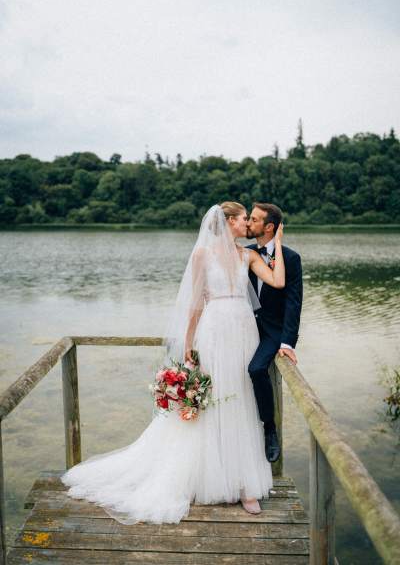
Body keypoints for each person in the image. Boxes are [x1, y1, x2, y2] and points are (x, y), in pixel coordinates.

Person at [61, 202, 286, 523]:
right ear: (228, 223)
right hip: (215, 330)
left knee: (243, 401)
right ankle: (215, 478)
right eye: (241, 220)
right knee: (217, 403)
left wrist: (276, 242)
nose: (247, 225)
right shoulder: (201, 256)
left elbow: (277, 281)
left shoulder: (248, 255)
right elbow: (195, 304)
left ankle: (245, 484)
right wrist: (190, 346)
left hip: (244, 331)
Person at [247, 203, 303, 463]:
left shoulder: (290, 258)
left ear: (269, 227)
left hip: (272, 331)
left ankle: (269, 428)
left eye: (254, 219)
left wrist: (287, 342)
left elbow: (293, 302)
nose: (248, 222)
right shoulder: (245, 253)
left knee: (257, 369)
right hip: (244, 325)